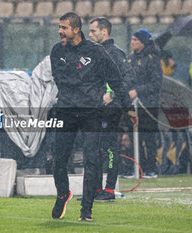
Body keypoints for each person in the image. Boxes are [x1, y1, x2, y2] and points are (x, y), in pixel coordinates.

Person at [50, 12, 138, 221]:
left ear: (75, 30)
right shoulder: (56, 51)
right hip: (66, 110)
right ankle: (63, 193)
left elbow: (116, 79)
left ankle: (86, 210)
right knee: (58, 160)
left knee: (91, 159)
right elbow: (58, 78)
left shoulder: (97, 52)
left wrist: (128, 107)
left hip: (91, 112)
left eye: (64, 28)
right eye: (59, 27)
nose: (60, 31)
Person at [88, 17, 136, 201]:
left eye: (93, 31)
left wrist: (113, 95)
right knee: (95, 148)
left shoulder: (115, 53)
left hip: (111, 109)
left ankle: (108, 190)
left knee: (109, 147)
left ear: (104, 32)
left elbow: (129, 79)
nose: (90, 34)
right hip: (96, 108)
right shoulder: (94, 52)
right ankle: (96, 189)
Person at [127, 29, 163, 178]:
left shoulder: (152, 59)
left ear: (142, 42)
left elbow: (156, 84)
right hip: (132, 105)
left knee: (148, 138)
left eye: (136, 40)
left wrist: (138, 91)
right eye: (132, 39)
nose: (133, 42)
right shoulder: (130, 59)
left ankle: (151, 169)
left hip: (148, 105)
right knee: (134, 137)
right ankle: (136, 168)